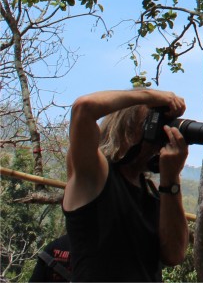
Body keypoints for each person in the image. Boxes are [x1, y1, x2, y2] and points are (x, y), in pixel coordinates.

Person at [63, 88, 190, 282]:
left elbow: (174, 255)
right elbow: (83, 108)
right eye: (154, 123)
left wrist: (171, 178)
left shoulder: (153, 191)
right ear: (128, 128)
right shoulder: (95, 173)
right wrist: (151, 96)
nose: (161, 135)